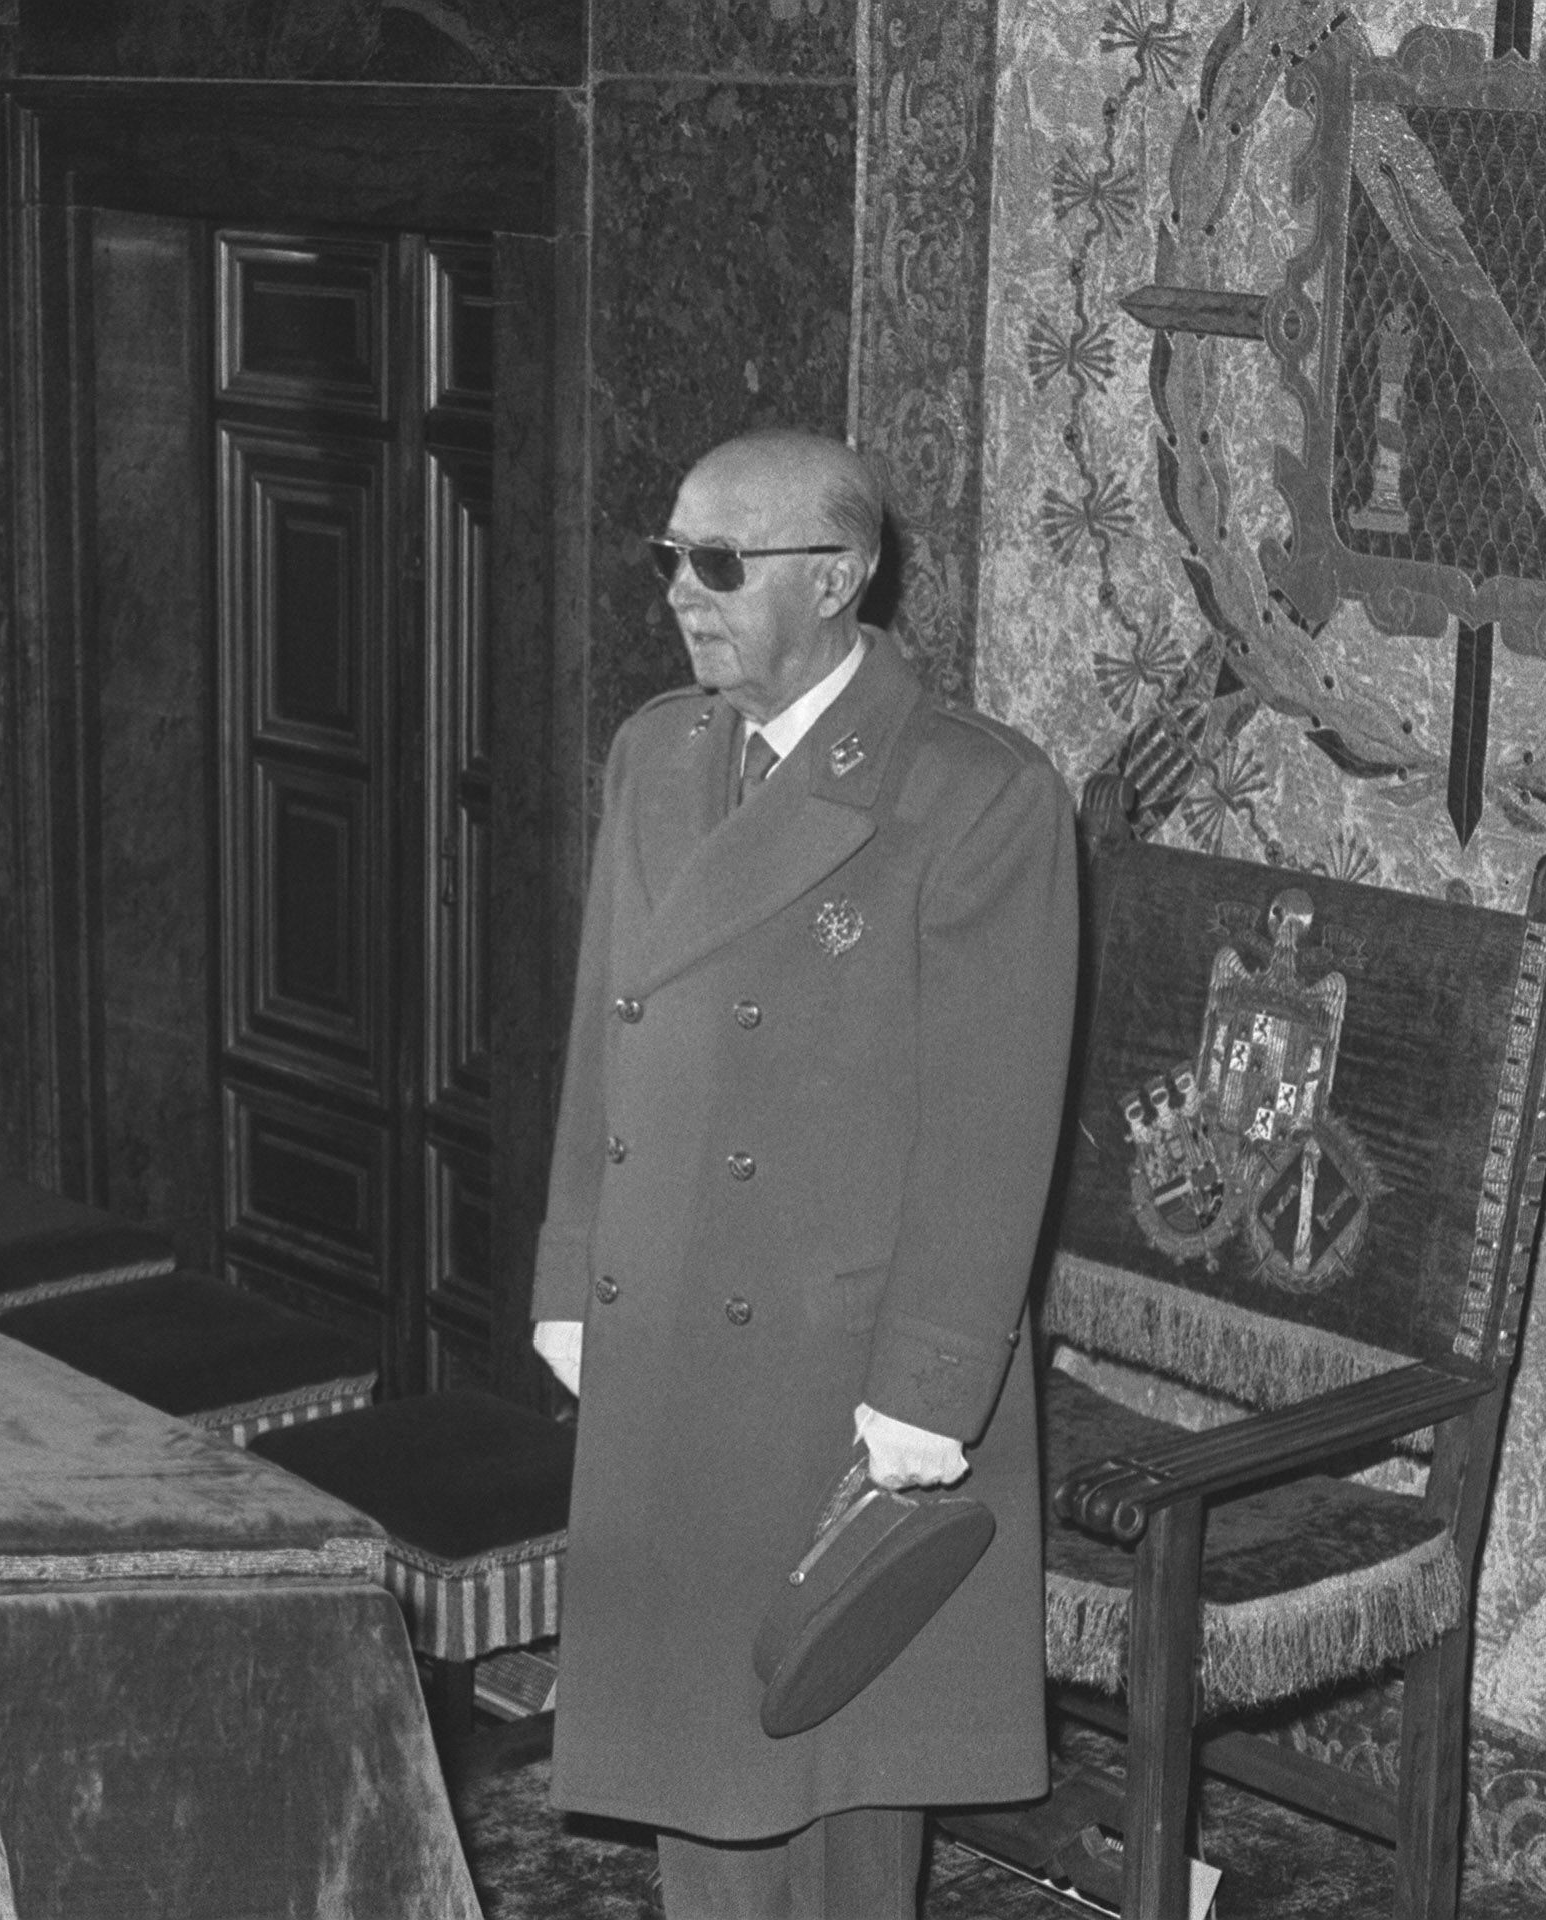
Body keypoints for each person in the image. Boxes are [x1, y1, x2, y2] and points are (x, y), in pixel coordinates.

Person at [530, 428, 1079, 1919]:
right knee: (705, 1777)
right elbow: (607, 1027)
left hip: (835, 1357)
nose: (681, 596)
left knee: (833, 1757)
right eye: (669, 562)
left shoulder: (971, 795)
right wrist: (571, 1268)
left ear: (836, 580)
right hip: (665, 1323)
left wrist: (928, 1385)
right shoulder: (653, 752)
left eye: (720, 564)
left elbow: (992, 1126)